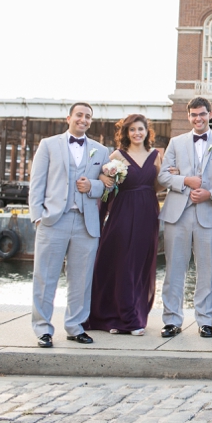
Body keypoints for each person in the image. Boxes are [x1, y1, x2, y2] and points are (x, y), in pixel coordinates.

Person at [156, 97, 212, 339]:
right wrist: (184, 181)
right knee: (174, 269)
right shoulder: (176, 142)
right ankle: (172, 320)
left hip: (209, 214)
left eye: (202, 114)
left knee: (207, 269)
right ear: (189, 116)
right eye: (193, 115)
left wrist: (211, 194)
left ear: (210, 114)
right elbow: (163, 176)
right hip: (177, 215)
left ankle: (205, 320)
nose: (198, 118)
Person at [29, 102, 110, 348]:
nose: (83, 120)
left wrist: (92, 186)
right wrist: (38, 216)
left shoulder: (101, 150)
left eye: (88, 117)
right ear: (69, 118)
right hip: (54, 219)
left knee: (81, 278)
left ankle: (75, 326)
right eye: (79, 115)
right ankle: (43, 329)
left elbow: (108, 188)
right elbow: (37, 182)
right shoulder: (49, 145)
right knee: (45, 276)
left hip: (86, 223)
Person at [85, 114, 163, 337]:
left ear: (147, 131)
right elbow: (104, 178)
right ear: (126, 133)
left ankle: (135, 313)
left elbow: (156, 185)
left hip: (148, 212)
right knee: (123, 263)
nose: (137, 133)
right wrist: (104, 177)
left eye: (141, 129)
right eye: (132, 130)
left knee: (140, 264)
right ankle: (124, 318)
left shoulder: (155, 156)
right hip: (123, 212)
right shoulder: (117, 156)